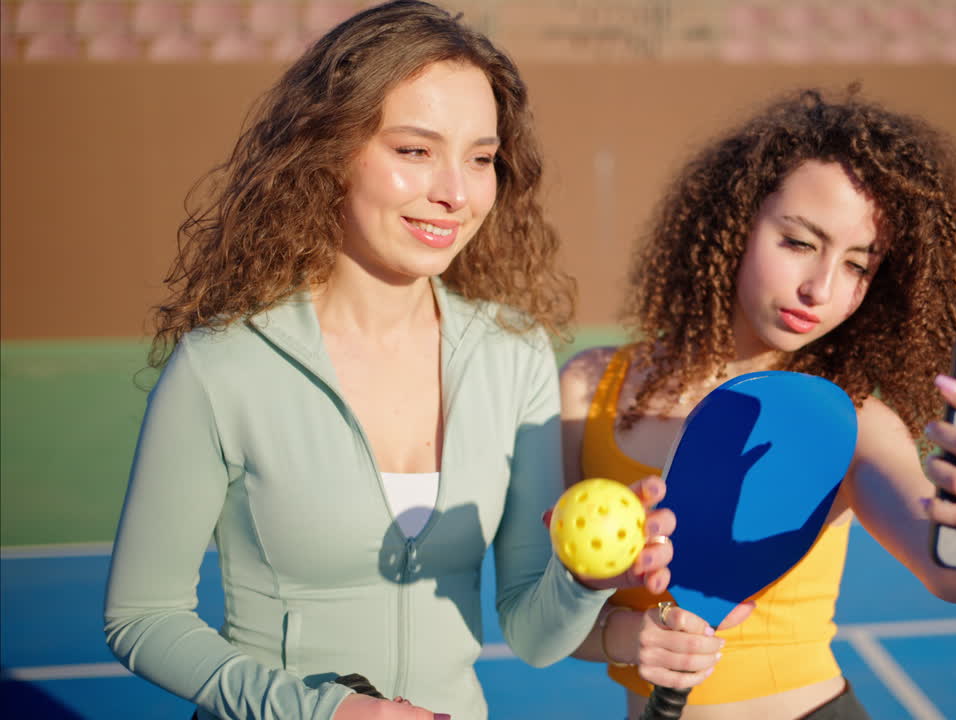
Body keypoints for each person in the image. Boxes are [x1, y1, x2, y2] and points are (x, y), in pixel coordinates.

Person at [103, 3, 677, 719]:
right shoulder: (224, 366)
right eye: (414, 151)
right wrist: (328, 712)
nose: (456, 193)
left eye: (479, 157)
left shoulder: (515, 356)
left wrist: (590, 577)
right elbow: (142, 617)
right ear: (330, 149)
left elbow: (533, 635)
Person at [559, 87, 956, 719]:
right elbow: (544, 612)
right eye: (799, 242)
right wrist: (626, 638)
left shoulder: (850, 419)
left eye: (859, 264)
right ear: (734, 222)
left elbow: (944, 565)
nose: (821, 288)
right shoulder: (590, 387)